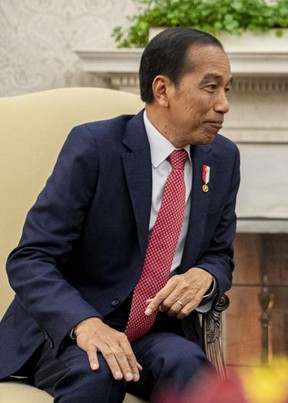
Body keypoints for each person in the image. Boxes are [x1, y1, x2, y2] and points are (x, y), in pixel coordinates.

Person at [0, 27, 240, 401]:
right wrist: (85, 324)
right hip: (72, 330)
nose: (223, 103)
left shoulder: (223, 159)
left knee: (193, 371)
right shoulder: (95, 147)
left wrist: (204, 275)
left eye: (227, 88)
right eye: (211, 87)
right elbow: (30, 259)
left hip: (153, 333)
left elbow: (220, 255)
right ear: (162, 90)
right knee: (96, 374)